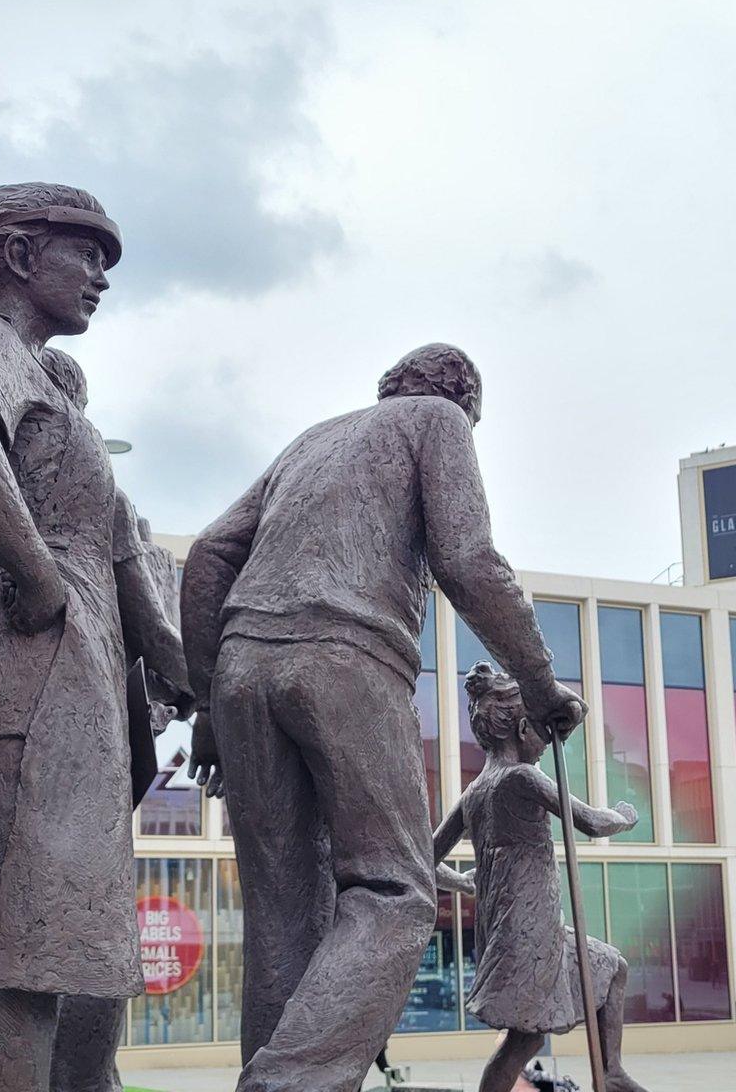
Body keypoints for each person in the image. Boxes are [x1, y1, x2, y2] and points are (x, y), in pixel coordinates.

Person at [180, 342, 587, 1092]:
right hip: (345, 656)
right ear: (463, 400)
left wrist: (207, 703)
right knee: (398, 891)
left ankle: (278, 1074)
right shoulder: (437, 421)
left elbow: (208, 554)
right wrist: (537, 682)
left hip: (241, 670)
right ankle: (285, 1084)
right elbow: (468, 559)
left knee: (286, 915)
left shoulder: (311, 442)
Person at [0, 182, 185, 1089]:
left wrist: (179, 672)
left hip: (45, 680)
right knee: (16, 948)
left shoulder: (37, 372)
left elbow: (125, 555)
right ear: (20, 258)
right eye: (87, 253)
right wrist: (35, 570)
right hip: (20, 672)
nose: (102, 276)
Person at [438, 662, 647, 1092]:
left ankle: (611, 1071)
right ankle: (610, 1072)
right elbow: (589, 822)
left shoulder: (474, 793)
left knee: (610, 971)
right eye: (538, 731)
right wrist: (624, 818)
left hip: (527, 931)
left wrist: (462, 883)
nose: (547, 743)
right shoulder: (521, 777)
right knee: (523, 1037)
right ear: (520, 731)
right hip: (528, 935)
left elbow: (421, 858)